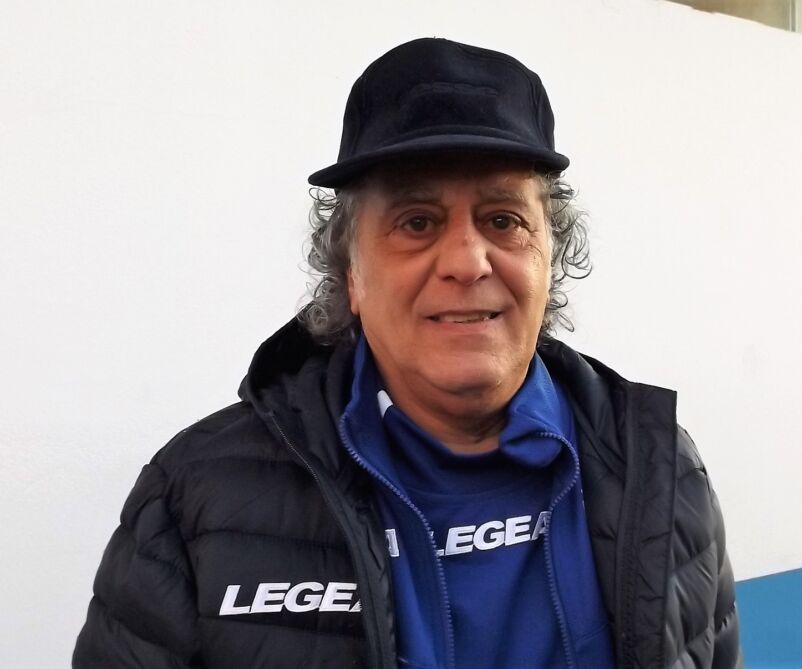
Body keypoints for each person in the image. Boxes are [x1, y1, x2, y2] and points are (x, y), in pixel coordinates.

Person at [74, 37, 741, 668]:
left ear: (548, 257)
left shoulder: (659, 469)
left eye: (504, 220)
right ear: (351, 272)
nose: (467, 261)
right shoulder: (194, 502)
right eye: (417, 222)